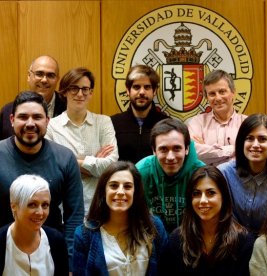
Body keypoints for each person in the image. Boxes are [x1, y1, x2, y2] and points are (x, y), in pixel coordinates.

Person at [0, 91, 84, 269]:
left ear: (47, 121)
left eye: (37, 117)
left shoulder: (65, 158)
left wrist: (69, 263)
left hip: (50, 253)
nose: (30, 123)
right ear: (12, 119)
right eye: (23, 117)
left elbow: (74, 216)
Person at [73, 161, 168, 275]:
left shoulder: (154, 226)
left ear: (135, 192)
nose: (120, 192)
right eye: (114, 185)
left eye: (127, 186)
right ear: (104, 191)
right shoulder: (84, 235)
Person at [46, 67, 118, 213]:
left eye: (85, 89)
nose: (80, 94)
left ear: (91, 93)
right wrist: (94, 163)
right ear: (64, 91)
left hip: (98, 207)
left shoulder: (103, 122)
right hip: (63, 209)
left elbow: (111, 166)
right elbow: (52, 169)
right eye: (74, 88)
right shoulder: (51, 126)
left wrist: (69, 163)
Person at [161, 166, 255, 275]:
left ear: (223, 197)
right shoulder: (177, 240)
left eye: (211, 193)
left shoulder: (243, 242)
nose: (203, 200)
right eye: (196, 194)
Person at [218, 113, 267, 233]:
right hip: (230, 244)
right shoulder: (224, 174)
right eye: (249, 138)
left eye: (262, 139)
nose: (255, 145)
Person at [136, 118, 205, 232]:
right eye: (163, 149)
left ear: (187, 149)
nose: (170, 157)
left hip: (191, 239)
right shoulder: (141, 172)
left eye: (177, 148)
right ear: (154, 150)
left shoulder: (201, 173)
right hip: (151, 239)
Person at [0, 175, 68, 274]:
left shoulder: (57, 241)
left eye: (45, 205)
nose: (40, 212)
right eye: (32, 204)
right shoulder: (2, 241)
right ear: (14, 206)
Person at [187, 70, 247, 166]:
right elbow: (193, 153)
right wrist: (234, 149)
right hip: (206, 179)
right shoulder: (197, 123)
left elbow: (249, 155)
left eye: (222, 92)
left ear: (233, 92)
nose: (218, 98)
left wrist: (207, 150)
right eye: (212, 94)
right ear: (206, 98)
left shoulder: (246, 123)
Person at [111, 64, 169, 164]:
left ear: (154, 91)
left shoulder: (167, 124)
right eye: (136, 87)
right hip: (124, 179)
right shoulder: (112, 123)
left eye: (147, 87)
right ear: (128, 90)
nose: (142, 92)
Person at [0, 55, 66, 140]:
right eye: (39, 74)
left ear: (57, 79)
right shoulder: (7, 112)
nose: (44, 80)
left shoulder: (68, 109)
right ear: (28, 76)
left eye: (50, 75)